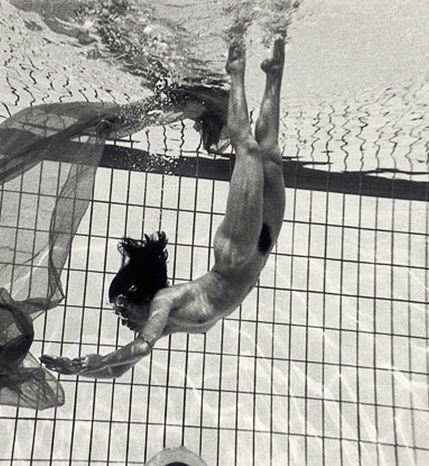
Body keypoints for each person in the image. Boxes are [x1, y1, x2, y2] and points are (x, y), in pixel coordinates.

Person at [41, 36, 287, 379]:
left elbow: (141, 347)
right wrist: (84, 369)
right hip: (258, 252)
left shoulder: (165, 301)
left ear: (141, 297)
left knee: (248, 150)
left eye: (123, 311)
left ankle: (236, 71)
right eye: (121, 313)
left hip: (236, 251)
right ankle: (274, 73)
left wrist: (100, 358)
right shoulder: (169, 319)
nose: (125, 321)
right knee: (269, 157)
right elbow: (121, 369)